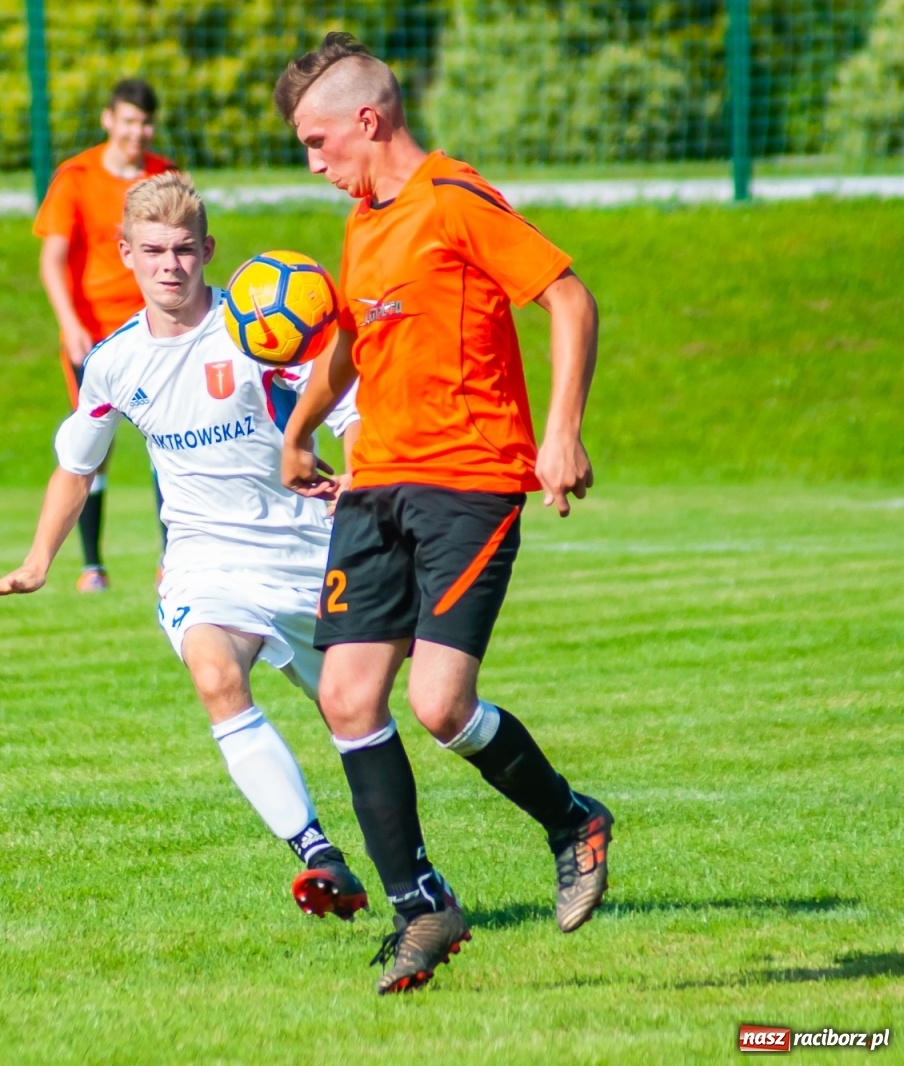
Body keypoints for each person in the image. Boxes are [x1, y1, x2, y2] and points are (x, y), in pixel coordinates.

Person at [271, 33, 613, 994]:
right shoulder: (365, 222)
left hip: (469, 481)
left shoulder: (456, 199)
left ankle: (571, 820)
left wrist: (561, 434)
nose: (314, 161)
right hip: (374, 483)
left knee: (439, 705)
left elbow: (570, 299)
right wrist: (298, 432)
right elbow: (351, 340)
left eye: (317, 140)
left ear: (367, 122)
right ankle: (423, 906)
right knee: (345, 698)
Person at [0, 174, 370, 918]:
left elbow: (346, 409)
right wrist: (36, 560)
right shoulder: (114, 361)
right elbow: (75, 466)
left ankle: (443, 859)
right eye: (152, 251)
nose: (170, 265)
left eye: (184, 249)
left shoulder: (260, 329)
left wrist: (367, 477)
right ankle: (319, 857)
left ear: (209, 250)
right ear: (125, 255)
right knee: (215, 676)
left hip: (306, 550)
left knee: (360, 715)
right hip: (204, 559)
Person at [33, 79, 175, 592]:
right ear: (109, 120)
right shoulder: (76, 178)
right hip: (96, 339)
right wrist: (70, 323)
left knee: (172, 439)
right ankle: (92, 565)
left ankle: (172, 561)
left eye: (146, 122)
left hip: (160, 333)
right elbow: (51, 258)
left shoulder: (165, 177)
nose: (138, 131)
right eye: (129, 120)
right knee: (92, 447)